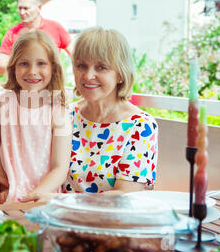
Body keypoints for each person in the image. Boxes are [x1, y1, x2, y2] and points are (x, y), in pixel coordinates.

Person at [63, 26, 158, 195]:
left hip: (112, 220)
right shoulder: (64, 115)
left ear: (120, 74)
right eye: (81, 66)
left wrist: (58, 201)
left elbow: (125, 196)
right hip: (57, 217)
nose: (87, 76)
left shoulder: (141, 126)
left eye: (101, 67)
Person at [0, 30, 72, 204]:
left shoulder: (58, 110)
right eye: (24, 63)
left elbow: (60, 168)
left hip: (41, 199)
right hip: (6, 196)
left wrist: (32, 197)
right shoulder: (3, 102)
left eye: (41, 63)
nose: (32, 71)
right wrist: (2, 182)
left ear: (53, 68)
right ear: (13, 66)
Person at [0, 0, 71, 76]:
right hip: (22, 88)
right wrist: (21, 57)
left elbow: (76, 54)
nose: (22, 12)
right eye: (20, 8)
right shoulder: (12, 33)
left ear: (39, 7)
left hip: (50, 88)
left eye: (26, 8)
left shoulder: (55, 28)